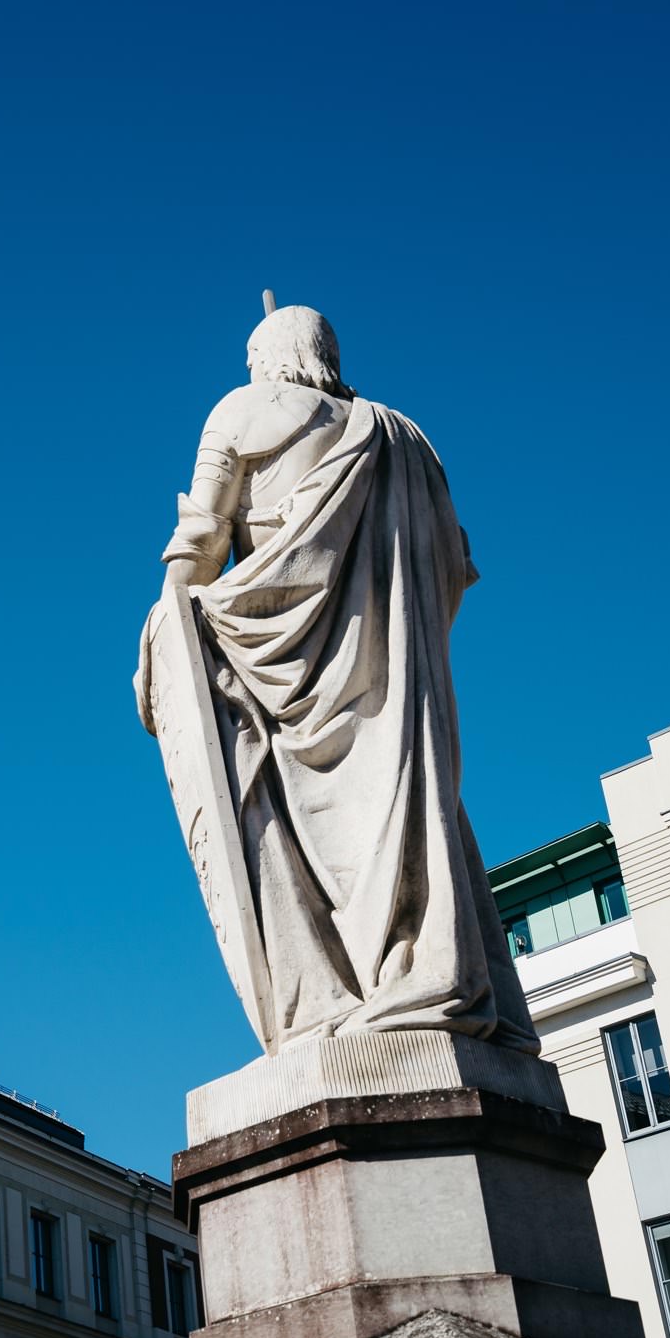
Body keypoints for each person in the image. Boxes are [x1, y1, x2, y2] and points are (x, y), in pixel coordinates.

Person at [144, 305, 536, 1050]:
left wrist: (168, 634)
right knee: (412, 817)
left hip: (279, 680)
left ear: (269, 357)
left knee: (294, 836)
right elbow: (453, 568)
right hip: (394, 683)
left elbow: (199, 541)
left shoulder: (241, 410)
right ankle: (421, 973)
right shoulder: (404, 437)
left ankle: (346, 999)